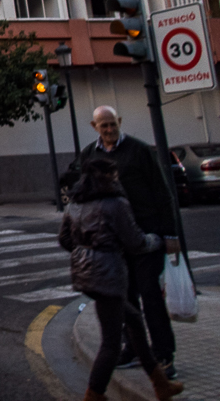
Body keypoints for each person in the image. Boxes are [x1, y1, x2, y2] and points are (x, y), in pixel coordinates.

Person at [58, 158, 183, 401]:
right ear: (107, 177)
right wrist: (155, 240)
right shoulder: (115, 204)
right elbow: (135, 242)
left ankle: (160, 383)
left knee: (134, 321)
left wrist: (87, 248)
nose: (118, 179)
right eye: (114, 175)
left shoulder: (75, 204)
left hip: (85, 273)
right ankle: (94, 394)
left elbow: (64, 240)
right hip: (108, 275)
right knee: (111, 343)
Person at [75, 106, 180, 378]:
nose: (109, 130)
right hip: (114, 243)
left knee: (150, 296)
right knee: (124, 299)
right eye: (104, 126)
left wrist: (170, 234)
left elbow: (162, 192)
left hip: (146, 237)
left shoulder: (140, 151)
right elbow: (84, 195)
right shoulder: (89, 155)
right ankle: (133, 348)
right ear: (94, 126)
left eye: (113, 125)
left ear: (119, 122)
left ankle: (164, 355)